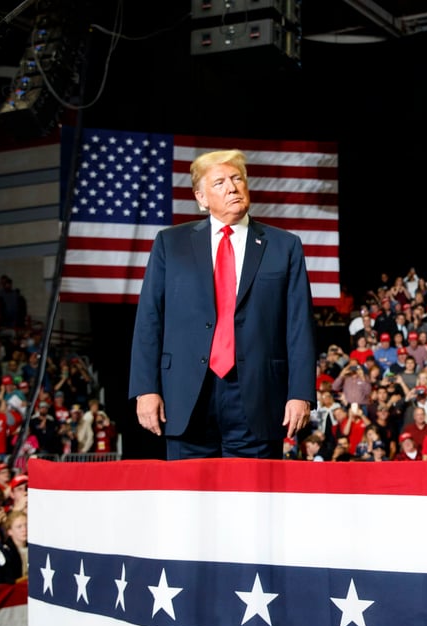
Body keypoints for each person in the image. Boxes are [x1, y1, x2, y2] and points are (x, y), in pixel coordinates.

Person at [129, 149, 315, 460]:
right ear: (201, 197)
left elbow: (299, 326)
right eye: (219, 182)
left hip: (258, 396)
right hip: (187, 395)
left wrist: (300, 393)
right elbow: (150, 319)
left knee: (251, 502)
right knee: (189, 502)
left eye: (237, 178)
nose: (231, 187)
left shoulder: (285, 246)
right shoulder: (170, 244)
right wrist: (146, 388)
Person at [0, 509, 26, 583]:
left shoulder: (36, 549)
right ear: (9, 531)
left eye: (26, 525)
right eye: (19, 527)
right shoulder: (5, 552)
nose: (24, 529)